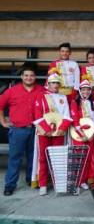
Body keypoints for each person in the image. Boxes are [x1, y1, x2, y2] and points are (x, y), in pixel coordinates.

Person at [0, 67, 44, 196]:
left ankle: (31, 180)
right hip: (18, 130)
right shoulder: (12, 91)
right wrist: (2, 121)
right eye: (26, 75)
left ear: (35, 77)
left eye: (31, 75)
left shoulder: (41, 91)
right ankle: (10, 185)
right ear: (22, 77)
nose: (28, 78)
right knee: (15, 158)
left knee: (33, 157)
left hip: (35, 130)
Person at [32, 73, 72, 196]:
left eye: (57, 83)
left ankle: (58, 184)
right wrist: (46, 129)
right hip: (43, 131)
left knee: (58, 158)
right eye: (52, 83)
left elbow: (66, 115)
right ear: (48, 84)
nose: (55, 85)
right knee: (43, 158)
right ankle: (43, 184)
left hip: (58, 132)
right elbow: (37, 114)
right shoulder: (40, 96)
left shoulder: (63, 97)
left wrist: (61, 128)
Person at [70, 79, 94, 188]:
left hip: (91, 134)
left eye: (87, 90)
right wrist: (82, 134)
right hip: (78, 133)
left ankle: (85, 180)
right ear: (80, 91)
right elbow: (75, 119)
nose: (85, 92)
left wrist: (93, 133)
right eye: (83, 90)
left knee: (89, 158)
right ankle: (77, 180)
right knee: (79, 157)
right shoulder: (75, 102)